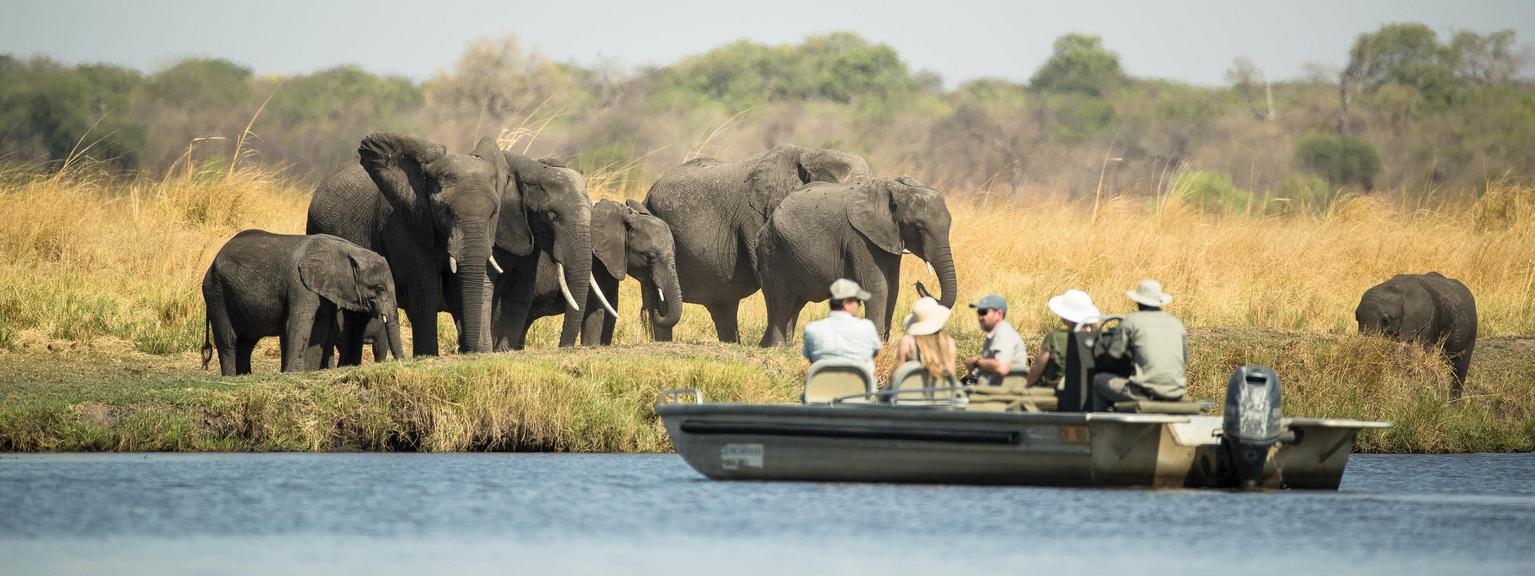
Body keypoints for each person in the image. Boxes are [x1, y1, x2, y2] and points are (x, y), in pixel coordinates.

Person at [1091, 279, 1188, 411]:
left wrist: (1100, 361)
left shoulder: (1131, 321)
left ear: (1138, 301)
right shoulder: (1177, 324)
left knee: (1099, 380)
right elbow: (1184, 359)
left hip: (1146, 392)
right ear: (1159, 301)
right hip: (1176, 391)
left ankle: (1101, 426)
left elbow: (1112, 358)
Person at [802, 278, 883, 375]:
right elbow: (875, 352)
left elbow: (809, 357)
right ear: (846, 303)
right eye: (858, 302)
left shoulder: (811, 329)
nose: (859, 305)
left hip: (823, 388)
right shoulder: (867, 327)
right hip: (860, 388)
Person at [1023, 289, 1100, 390]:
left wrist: (1024, 388)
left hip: (1055, 391)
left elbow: (1036, 372)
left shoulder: (1055, 337)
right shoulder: (1099, 338)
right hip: (1088, 391)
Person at [963, 294, 1029, 387]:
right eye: (979, 312)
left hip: (1003, 393)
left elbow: (1002, 367)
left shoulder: (1003, 333)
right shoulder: (997, 333)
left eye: (984, 312)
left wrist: (976, 362)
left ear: (999, 314)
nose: (980, 317)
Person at [894, 297, 957, 380]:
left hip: (912, 390)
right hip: (942, 391)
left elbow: (896, 374)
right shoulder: (949, 343)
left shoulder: (908, 342)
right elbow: (951, 374)